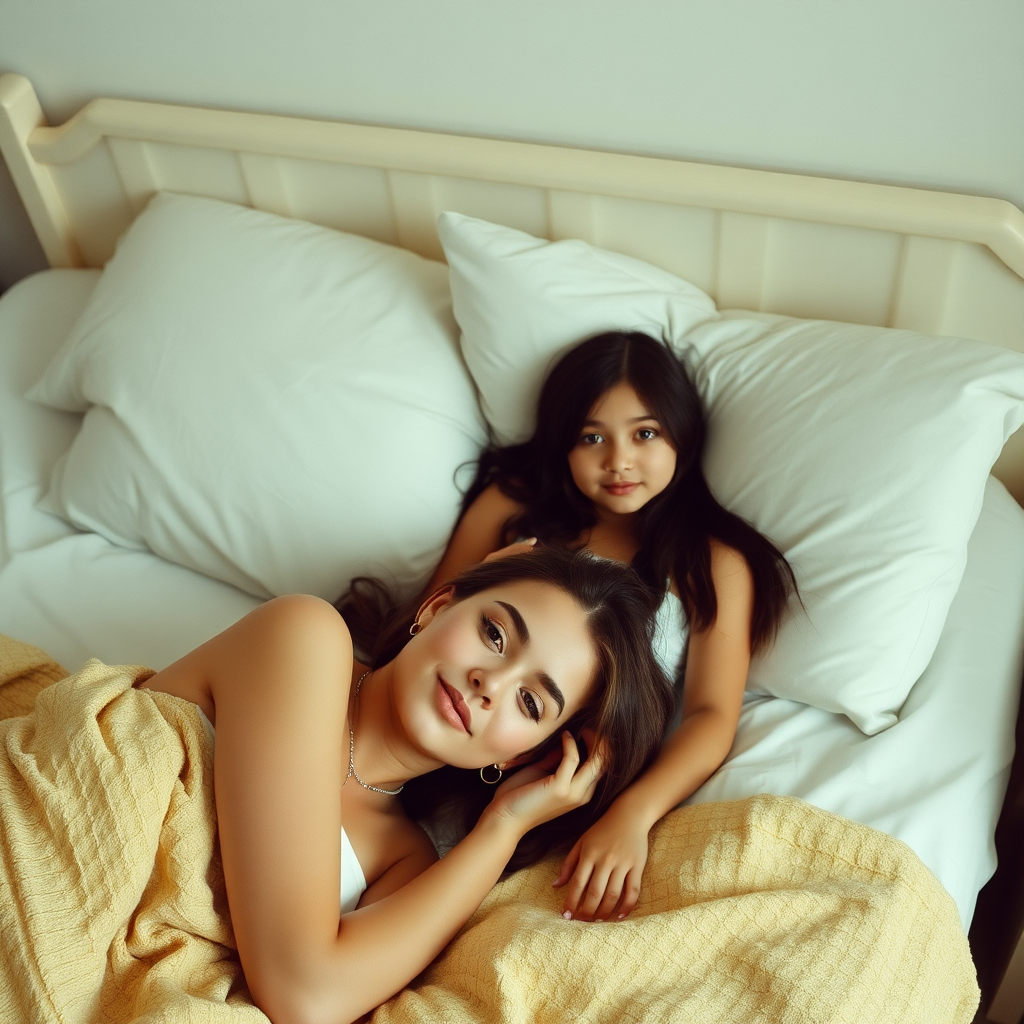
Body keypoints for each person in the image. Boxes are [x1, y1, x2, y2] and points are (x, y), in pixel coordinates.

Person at [141, 546, 673, 1024]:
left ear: (524, 756)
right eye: (494, 634)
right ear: (437, 607)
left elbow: (321, 1004)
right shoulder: (306, 636)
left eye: (531, 702)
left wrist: (504, 827)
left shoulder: (408, 864)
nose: (491, 683)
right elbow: (300, 994)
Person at [426, 330, 798, 926]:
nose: (619, 460)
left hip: (577, 788)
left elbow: (710, 715)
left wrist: (632, 814)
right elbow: (436, 613)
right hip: (455, 739)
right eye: (591, 437)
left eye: (645, 433)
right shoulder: (510, 509)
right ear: (563, 444)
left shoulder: (711, 562)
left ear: (682, 433)